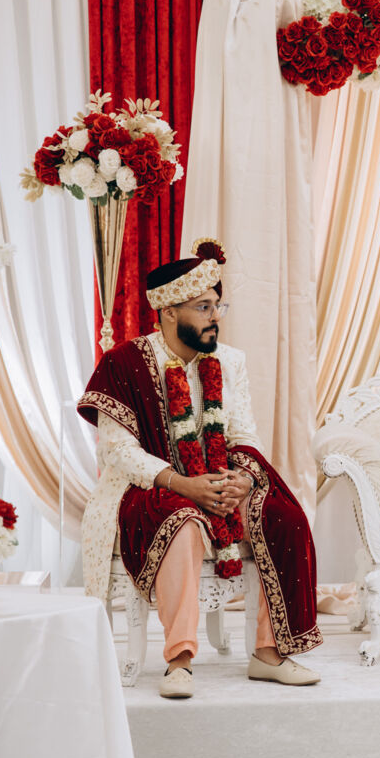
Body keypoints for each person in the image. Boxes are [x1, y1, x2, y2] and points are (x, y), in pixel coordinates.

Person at [78, 239, 321, 698]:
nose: (215, 317)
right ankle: (179, 661)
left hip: (218, 478)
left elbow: (244, 433)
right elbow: (118, 452)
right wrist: (184, 484)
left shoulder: (229, 362)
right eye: (204, 307)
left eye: (217, 306)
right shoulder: (123, 363)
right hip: (150, 484)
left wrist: (240, 479)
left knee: (283, 515)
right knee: (182, 522)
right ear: (169, 312)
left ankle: (269, 653)